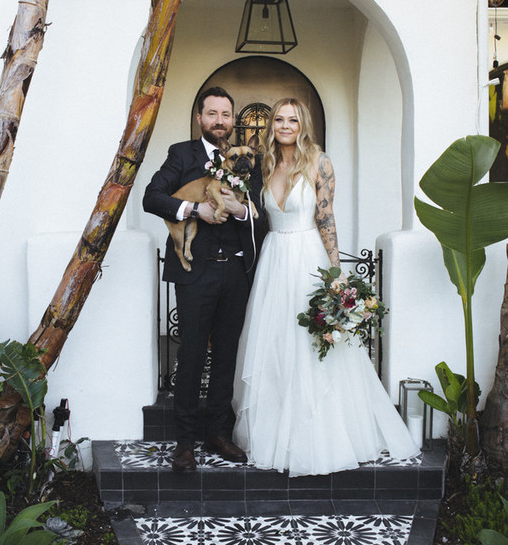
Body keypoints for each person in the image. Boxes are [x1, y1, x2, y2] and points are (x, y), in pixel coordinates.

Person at [233, 98, 419, 476]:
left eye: (293, 120)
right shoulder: (265, 162)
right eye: (280, 119)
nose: (285, 126)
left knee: (312, 342)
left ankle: (324, 434)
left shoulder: (320, 162)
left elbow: (326, 216)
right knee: (276, 343)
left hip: (307, 256)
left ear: (303, 125)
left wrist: (335, 273)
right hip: (273, 260)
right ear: (273, 126)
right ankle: (274, 431)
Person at [143, 86, 262, 472]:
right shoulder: (183, 154)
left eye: (226, 115)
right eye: (212, 114)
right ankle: (185, 442)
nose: (220, 121)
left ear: (233, 120)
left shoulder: (246, 161)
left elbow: (261, 210)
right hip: (197, 272)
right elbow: (152, 197)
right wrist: (196, 208)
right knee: (192, 355)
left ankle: (218, 432)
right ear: (200, 118)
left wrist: (240, 212)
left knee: (227, 353)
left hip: (237, 272)